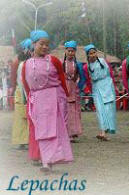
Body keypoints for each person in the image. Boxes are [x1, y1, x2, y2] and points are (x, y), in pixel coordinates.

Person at [22, 30, 73, 172]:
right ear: (33, 44)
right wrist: (30, 101)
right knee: (42, 132)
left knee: (55, 130)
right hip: (38, 101)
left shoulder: (53, 60)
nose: (45, 47)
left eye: (47, 44)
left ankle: (49, 162)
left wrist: (65, 97)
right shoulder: (27, 64)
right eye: (41, 44)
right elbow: (27, 85)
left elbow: (62, 79)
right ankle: (46, 160)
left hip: (55, 99)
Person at [85, 44, 116, 141]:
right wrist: (91, 89)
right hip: (96, 88)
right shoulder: (87, 66)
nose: (93, 55)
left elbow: (110, 73)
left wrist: (112, 85)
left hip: (107, 85)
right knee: (99, 110)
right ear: (88, 55)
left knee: (108, 109)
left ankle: (106, 130)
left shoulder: (103, 61)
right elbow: (87, 80)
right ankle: (102, 131)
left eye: (94, 52)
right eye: (90, 53)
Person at [10, 38, 32, 149]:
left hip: (30, 91)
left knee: (30, 116)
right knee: (20, 116)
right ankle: (21, 141)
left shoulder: (32, 61)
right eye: (29, 49)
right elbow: (13, 78)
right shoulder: (16, 61)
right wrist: (13, 89)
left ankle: (30, 140)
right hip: (20, 91)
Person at [63, 40, 84, 142]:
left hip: (74, 89)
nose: (71, 53)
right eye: (69, 51)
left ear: (75, 52)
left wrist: (79, 87)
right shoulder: (61, 63)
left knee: (74, 111)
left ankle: (73, 132)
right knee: (65, 110)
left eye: (72, 51)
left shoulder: (78, 64)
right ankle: (66, 132)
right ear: (65, 51)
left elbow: (82, 78)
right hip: (64, 89)